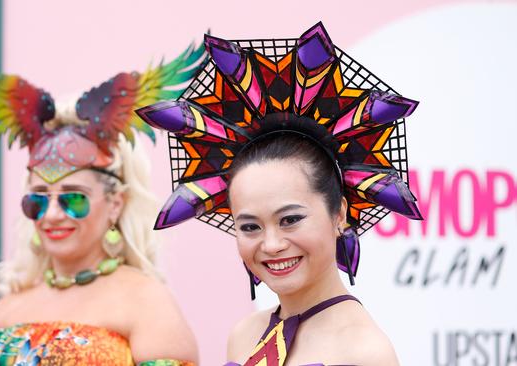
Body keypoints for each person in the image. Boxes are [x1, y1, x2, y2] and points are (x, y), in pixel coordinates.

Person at [136, 22, 422, 365]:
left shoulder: (364, 352)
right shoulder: (244, 334)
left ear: (339, 214)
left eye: (290, 219)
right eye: (250, 226)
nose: (271, 244)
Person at [0, 30, 203, 365]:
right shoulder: (8, 305)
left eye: (73, 199)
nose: (50, 215)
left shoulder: (146, 301)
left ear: (115, 204)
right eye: (36, 201)